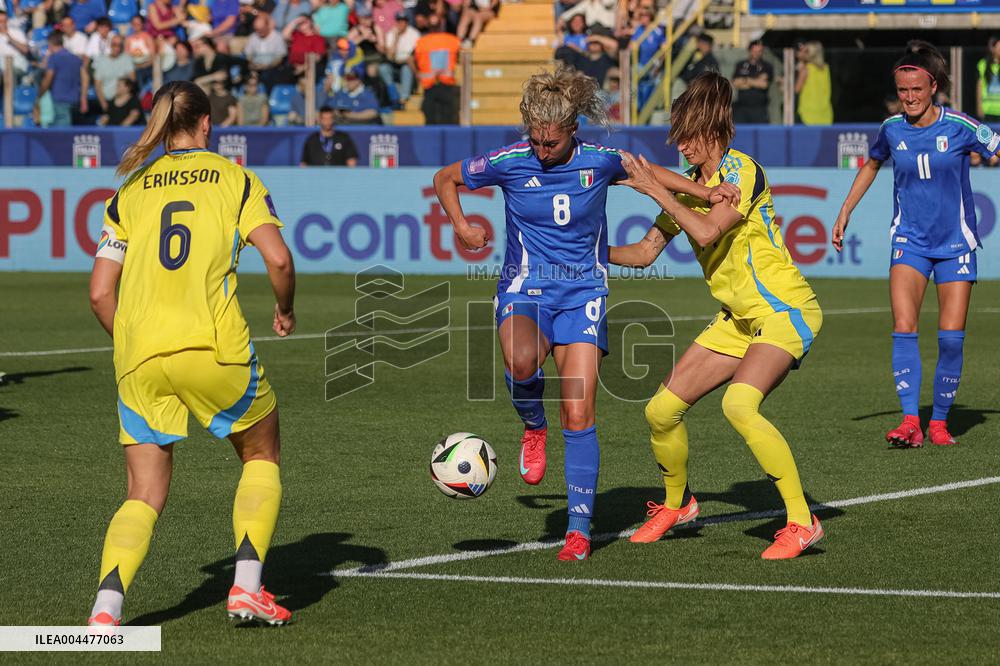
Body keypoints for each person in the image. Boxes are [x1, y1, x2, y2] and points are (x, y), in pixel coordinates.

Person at [432, 65, 737, 561]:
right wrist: (462, 225)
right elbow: (445, 178)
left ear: (572, 132)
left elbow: (649, 172)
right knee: (522, 363)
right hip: (526, 288)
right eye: (535, 140)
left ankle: (578, 529)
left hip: (584, 294)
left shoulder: (600, 160)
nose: (541, 151)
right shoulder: (511, 160)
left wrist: (706, 193)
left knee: (579, 411)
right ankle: (533, 426)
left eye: (550, 143)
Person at [87, 79, 296, 627]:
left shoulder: (128, 191)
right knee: (260, 452)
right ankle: (247, 587)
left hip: (138, 357)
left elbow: (98, 293)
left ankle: (106, 612)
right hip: (213, 346)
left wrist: (137, 345)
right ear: (207, 123)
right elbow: (278, 260)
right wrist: (286, 309)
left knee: (143, 492)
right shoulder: (236, 179)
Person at [610, 71, 824, 560]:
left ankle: (801, 520)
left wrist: (658, 191)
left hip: (785, 310)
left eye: (690, 135)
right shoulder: (689, 186)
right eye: (678, 135)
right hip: (738, 319)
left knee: (739, 406)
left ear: (714, 130)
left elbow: (706, 233)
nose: (682, 145)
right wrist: (590, 250)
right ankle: (677, 505)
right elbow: (645, 253)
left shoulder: (741, 172)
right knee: (660, 410)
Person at [833, 41, 1000, 448]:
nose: (908, 98)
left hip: (955, 245)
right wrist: (844, 211)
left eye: (917, 91)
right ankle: (911, 421)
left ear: (934, 87)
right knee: (904, 327)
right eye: (902, 91)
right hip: (910, 240)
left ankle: (939, 422)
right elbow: (872, 163)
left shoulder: (960, 126)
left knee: (949, 336)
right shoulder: (891, 129)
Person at [412, 15, 460, 124]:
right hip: (447, 85)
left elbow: (410, 58)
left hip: (430, 86)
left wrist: (416, 73)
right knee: (449, 121)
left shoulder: (421, 42)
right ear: (441, 25)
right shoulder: (452, 40)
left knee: (431, 122)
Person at [37, 32, 88, 126]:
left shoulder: (54, 58)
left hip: (60, 100)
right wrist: (83, 97)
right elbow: (85, 79)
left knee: (62, 135)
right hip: (75, 100)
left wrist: (40, 95)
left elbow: (48, 79)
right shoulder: (76, 58)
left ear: (50, 44)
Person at [379, 10, 419, 106]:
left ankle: (403, 98)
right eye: (398, 20)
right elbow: (390, 56)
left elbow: (413, 56)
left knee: (406, 68)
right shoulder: (391, 34)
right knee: (383, 68)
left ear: (407, 22)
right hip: (394, 64)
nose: (400, 23)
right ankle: (393, 93)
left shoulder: (414, 34)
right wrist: (396, 38)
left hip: (408, 64)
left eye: (403, 20)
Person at [732, 39, 773, 124]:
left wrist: (745, 80)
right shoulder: (741, 65)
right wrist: (756, 80)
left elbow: (764, 84)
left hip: (759, 108)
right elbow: (735, 83)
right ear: (749, 51)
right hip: (742, 108)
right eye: (754, 51)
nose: (757, 53)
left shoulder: (767, 66)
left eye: (759, 51)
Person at [93, 34, 135, 112]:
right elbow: (98, 85)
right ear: (110, 45)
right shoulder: (101, 60)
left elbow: (132, 81)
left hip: (123, 101)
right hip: (106, 100)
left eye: (119, 45)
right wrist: (103, 103)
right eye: (114, 44)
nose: (117, 48)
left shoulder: (127, 59)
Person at [795, 40, 832, 125]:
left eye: (806, 51)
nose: (803, 53)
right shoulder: (826, 68)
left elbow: (796, 89)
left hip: (808, 114)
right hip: (825, 113)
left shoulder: (806, 69)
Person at [975, 35, 1000, 124]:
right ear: (992, 48)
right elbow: (979, 87)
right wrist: (979, 107)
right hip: (988, 110)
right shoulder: (982, 65)